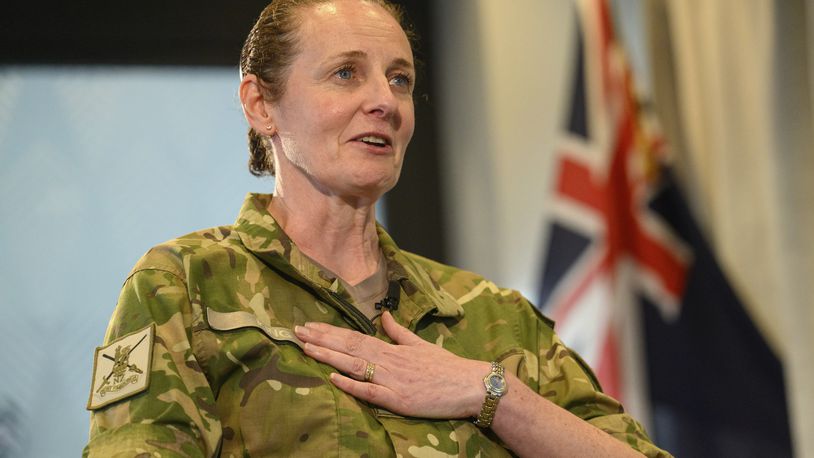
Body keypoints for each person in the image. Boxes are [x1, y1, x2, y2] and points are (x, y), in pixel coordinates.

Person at [83, 0, 671, 456]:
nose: (384, 102)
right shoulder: (184, 286)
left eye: (400, 79)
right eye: (345, 73)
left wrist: (491, 393)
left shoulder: (494, 318)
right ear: (261, 104)